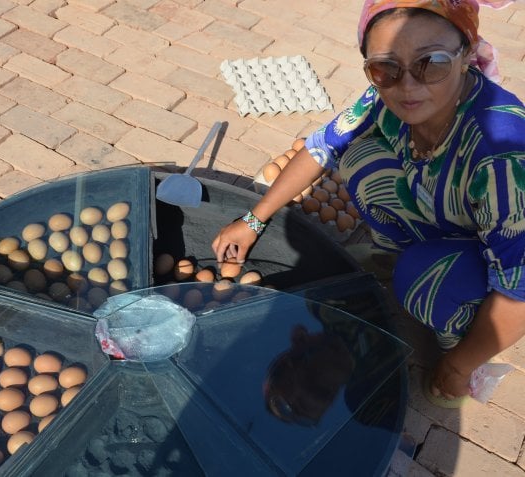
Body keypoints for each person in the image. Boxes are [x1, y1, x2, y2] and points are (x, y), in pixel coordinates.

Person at [212, 0, 525, 407]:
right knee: (359, 157)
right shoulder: (384, 98)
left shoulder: (503, 158)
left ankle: (461, 342)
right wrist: (253, 220)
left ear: (467, 54)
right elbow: (321, 148)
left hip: (500, 262)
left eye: (432, 63)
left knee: (425, 280)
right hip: (454, 214)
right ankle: (398, 255)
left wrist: (458, 366)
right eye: (386, 67)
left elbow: (518, 292)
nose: (408, 86)